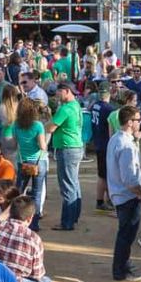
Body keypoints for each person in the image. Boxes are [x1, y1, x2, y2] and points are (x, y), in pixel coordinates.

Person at [106, 105, 141, 282]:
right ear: (130, 122)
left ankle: (124, 265)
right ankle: (120, 271)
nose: (140, 122)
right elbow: (129, 179)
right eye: (138, 120)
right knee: (126, 234)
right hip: (128, 196)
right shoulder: (126, 145)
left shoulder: (116, 138)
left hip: (119, 194)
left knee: (125, 233)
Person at [47, 83, 84, 232]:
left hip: (67, 148)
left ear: (67, 91)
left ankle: (67, 222)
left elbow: (50, 127)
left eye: (59, 92)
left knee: (68, 186)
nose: (57, 95)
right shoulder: (75, 106)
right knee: (73, 184)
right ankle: (73, 217)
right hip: (74, 147)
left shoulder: (65, 108)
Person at [13, 98, 47, 229]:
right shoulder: (38, 125)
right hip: (39, 162)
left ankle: (17, 219)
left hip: (23, 161)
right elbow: (42, 146)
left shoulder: (16, 125)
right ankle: (34, 223)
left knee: (20, 192)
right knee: (37, 193)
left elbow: (15, 143)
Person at [89, 83, 116, 213]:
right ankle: (101, 201)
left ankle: (106, 199)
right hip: (105, 143)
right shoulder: (108, 108)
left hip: (99, 141)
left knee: (104, 174)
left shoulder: (95, 105)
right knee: (104, 175)